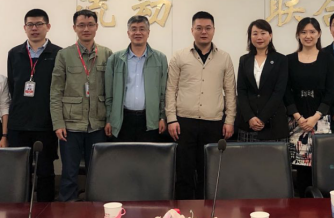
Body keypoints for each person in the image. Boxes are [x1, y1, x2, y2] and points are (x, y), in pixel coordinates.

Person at [166, 11, 237, 200]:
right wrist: (171, 119)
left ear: (214, 30)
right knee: (184, 171)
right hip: (184, 122)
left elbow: (230, 91)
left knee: (209, 172)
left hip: (213, 122)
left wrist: (229, 120)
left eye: (207, 28)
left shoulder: (224, 58)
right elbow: (170, 89)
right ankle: (183, 211)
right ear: (192, 30)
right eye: (199, 28)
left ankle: (207, 212)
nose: (203, 32)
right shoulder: (179, 56)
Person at [50, 9, 113, 202]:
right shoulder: (64, 55)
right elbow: (56, 91)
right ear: (74, 28)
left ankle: (97, 210)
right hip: (71, 125)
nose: (86, 29)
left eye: (90, 25)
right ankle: (68, 211)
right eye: (81, 25)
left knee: (98, 172)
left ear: (96, 27)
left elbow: (112, 92)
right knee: (69, 173)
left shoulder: (107, 54)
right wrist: (58, 123)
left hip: (98, 124)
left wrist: (110, 120)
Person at [7, 9, 62, 202]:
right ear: (25, 28)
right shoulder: (14, 53)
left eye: (39, 24)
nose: (34, 28)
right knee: (19, 171)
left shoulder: (59, 53)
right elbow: (13, 86)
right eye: (30, 24)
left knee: (45, 170)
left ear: (48, 27)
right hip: (18, 124)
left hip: (45, 122)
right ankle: (19, 211)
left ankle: (45, 211)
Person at [285, 17, 334, 197]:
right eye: (304, 32)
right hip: (296, 122)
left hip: (320, 121)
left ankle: (320, 208)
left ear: (319, 34)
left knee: (322, 168)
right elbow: (286, 92)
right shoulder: (289, 60)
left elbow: (330, 91)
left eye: (312, 32)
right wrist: (298, 117)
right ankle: (302, 208)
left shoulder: (328, 58)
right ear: (298, 35)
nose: (308, 36)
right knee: (300, 171)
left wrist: (315, 117)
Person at [105, 15, 168, 142]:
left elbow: (163, 92)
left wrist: (162, 117)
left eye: (142, 29)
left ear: (148, 32)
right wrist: (109, 119)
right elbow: (109, 94)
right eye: (134, 29)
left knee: (147, 154)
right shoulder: (115, 59)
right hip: (123, 118)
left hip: (149, 118)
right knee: (124, 154)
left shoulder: (160, 59)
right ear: (128, 33)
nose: (138, 32)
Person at [236, 19, 289, 142]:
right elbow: (241, 90)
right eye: (255, 33)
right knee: (247, 155)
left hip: (274, 124)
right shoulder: (244, 60)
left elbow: (279, 92)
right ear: (250, 37)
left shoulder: (281, 60)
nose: (259, 37)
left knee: (274, 156)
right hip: (248, 124)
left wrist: (262, 118)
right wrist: (250, 117)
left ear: (270, 35)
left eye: (263, 33)